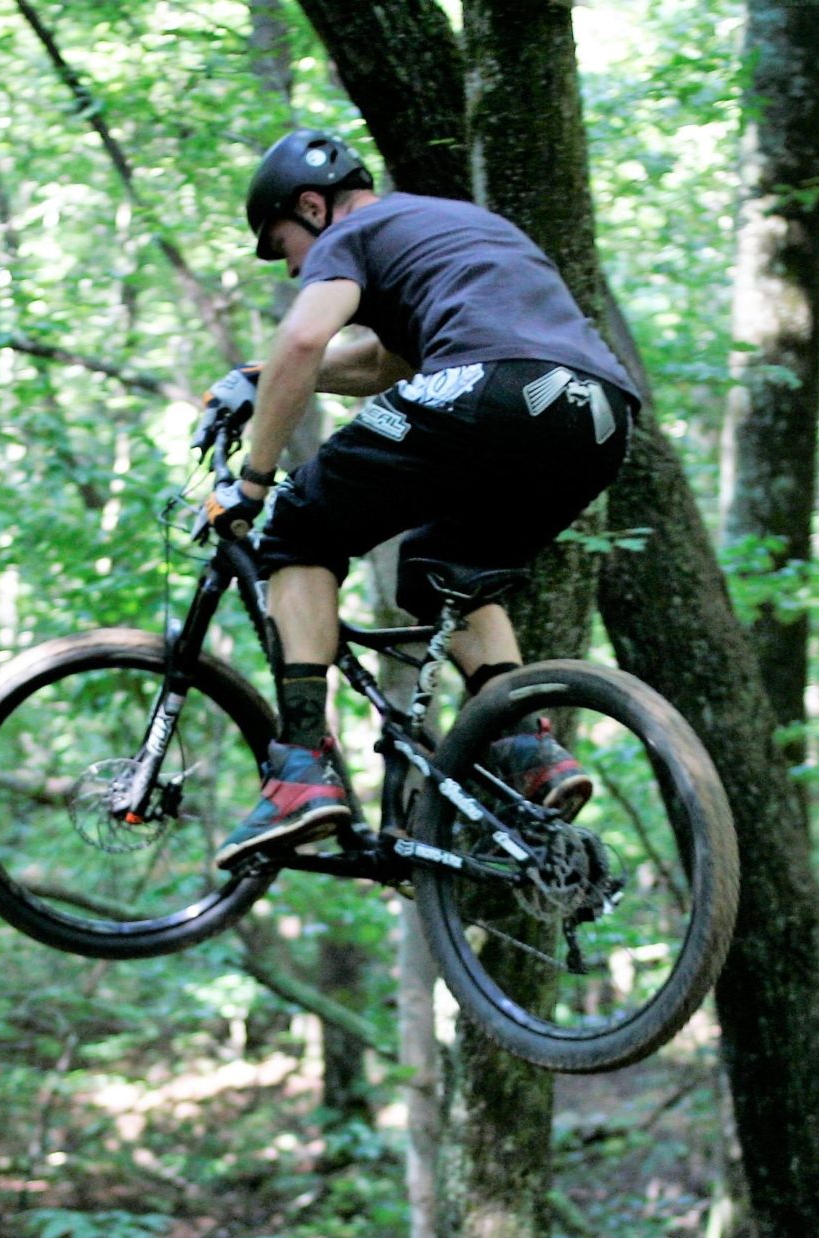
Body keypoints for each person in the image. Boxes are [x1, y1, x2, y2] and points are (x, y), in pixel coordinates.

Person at [197, 128, 640, 868]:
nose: (294, 267)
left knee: (298, 530)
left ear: (312, 206)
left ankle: (303, 768)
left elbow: (304, 343)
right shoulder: (450, 227)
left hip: (489, 379)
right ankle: (529, 748)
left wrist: (252, 481)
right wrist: (257, 370)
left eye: (286, 247)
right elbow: (379, 363)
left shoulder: (353, 231)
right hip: (596, 413)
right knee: (443, 561)